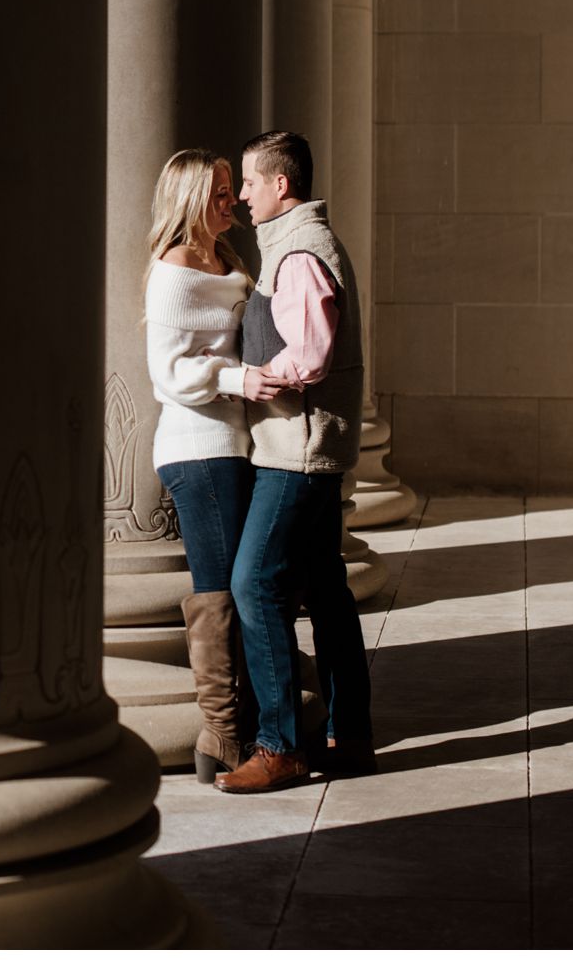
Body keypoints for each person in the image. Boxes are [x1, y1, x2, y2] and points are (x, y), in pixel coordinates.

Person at [215, 130, 375, 794]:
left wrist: (244, 377)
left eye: (250, 182)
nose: (244, 195)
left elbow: (309, 357)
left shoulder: (301, 253)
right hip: (305, 447)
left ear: (282, 185)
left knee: (255, 584)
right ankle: (346, 731)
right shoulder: (296, 245)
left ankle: (280, 745)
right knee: (327, 590)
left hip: (297, 454)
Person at [142, 148, 287, 783]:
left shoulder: (226, 259)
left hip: (235, 444)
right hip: (197, 449)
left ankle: (245, 722)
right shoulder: (171, 273)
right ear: (192, 199)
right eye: (220, 191)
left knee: (239, 585)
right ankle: (223, 733)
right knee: (219, 591)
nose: (231, 200)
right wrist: (239, 376)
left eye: (234, 188)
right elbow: (168, 374)